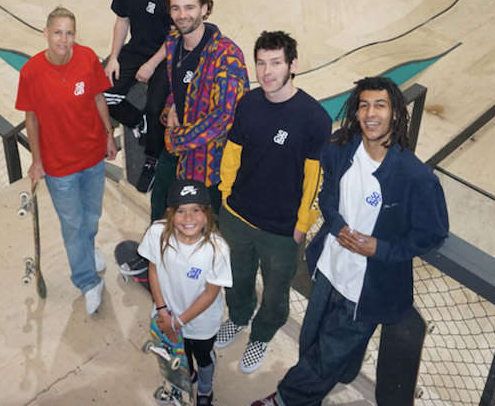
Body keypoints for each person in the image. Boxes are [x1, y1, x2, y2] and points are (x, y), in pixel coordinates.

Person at [250, 77, 449, 406]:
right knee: (312, 342)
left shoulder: (417, 178)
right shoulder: (339, 150)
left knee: (327, 355)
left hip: (367, 289)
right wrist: (337, 222)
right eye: (364, 105)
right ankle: (329, 379)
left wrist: (380, 249)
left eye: (380, 105)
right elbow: (327, 195)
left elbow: (433, 233)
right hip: (330, 270)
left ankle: (284, 399)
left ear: (396, 114)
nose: (371, 113)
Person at [214, 31, 330, 374]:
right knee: (237, 277)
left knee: (276, 292)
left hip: (281, 230)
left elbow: (314, 181)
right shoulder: (248, 102)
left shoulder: (314, 119)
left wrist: (302, 225)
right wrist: (225, 198)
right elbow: (232, 154)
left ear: (292, 65)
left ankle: (262, 335)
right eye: (261, 63)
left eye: (275, 63)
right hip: (238, 215)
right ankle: (237, 317)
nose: (266, 71)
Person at [16, 6, 118, 315]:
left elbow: (99, 98)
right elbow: (30, 119)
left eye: (69, 33)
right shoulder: (31, 72)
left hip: (91, 157)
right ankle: (87, 281)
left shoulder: (86, 59)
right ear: (45, 34)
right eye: (58, 32)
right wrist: (37, 161)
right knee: (72, 225)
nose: (64, 39)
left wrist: (109, 135)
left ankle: (89, 249)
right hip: (59, 166)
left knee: (91, 215)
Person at [152, 0, 248, 220]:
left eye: (189, 7)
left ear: (205, 8)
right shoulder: (173, 42)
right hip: (175, 152)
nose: (182, 15)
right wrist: (171, 107)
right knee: (161, 213)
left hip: (208, 161)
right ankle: (157, 257)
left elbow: (225, 116)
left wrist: (177, 139)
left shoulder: (227, 55)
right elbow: (178, 88)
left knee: (203, 227)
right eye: (175, 8)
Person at [138, 179, 232, 406]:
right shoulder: (157, 233)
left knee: (203, 356)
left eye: (195, 210)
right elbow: (153, 268)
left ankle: (205, 390)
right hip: (168, 316)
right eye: (181, 211)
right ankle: (186, 377)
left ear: (207, 213)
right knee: (180, 353)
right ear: (170, 213)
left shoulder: (216, 249)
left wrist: (178, 322)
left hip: (201, 322)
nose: (188, 218)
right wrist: (162, 310)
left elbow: (210, 294)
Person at [103, 0, 181, 194]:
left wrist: (152, 64)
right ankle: (137, 122)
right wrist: (114, 58)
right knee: (102, 93)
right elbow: (122, 21)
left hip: (166, 52)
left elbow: (177, 33)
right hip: (136, 49)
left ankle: (151, 160)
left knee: (155, 105)